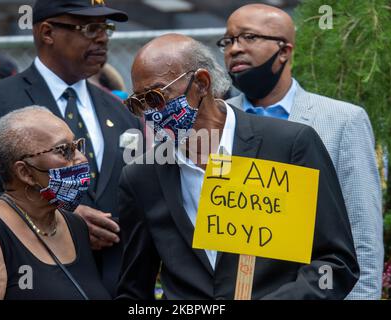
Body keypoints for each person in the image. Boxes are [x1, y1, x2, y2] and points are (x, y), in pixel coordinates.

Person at [116, 34, 359, 300]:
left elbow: (334, 263)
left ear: (201, 83)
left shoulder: (289, 145)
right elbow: (133, 290)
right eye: (139, 103)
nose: (150, 112)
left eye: (156, 97)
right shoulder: (142, 176)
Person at [0, 0, 141, 296]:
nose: (102, 37)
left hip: (117, 285)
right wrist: (67, 218)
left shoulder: (119, 110)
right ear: (47, 32)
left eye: (106, 28)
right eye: (90, 28)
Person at [222, 4, 383, 299]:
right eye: (229, 40)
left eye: (248, 37)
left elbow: (362, 232)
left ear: (284, 50)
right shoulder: (216, 120)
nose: (234, 49)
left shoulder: (341, 120)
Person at [0, 106, 110, 299]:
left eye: (77, 146)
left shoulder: (74, 224)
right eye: (64, 151)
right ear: (25, 173)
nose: (81, 159)